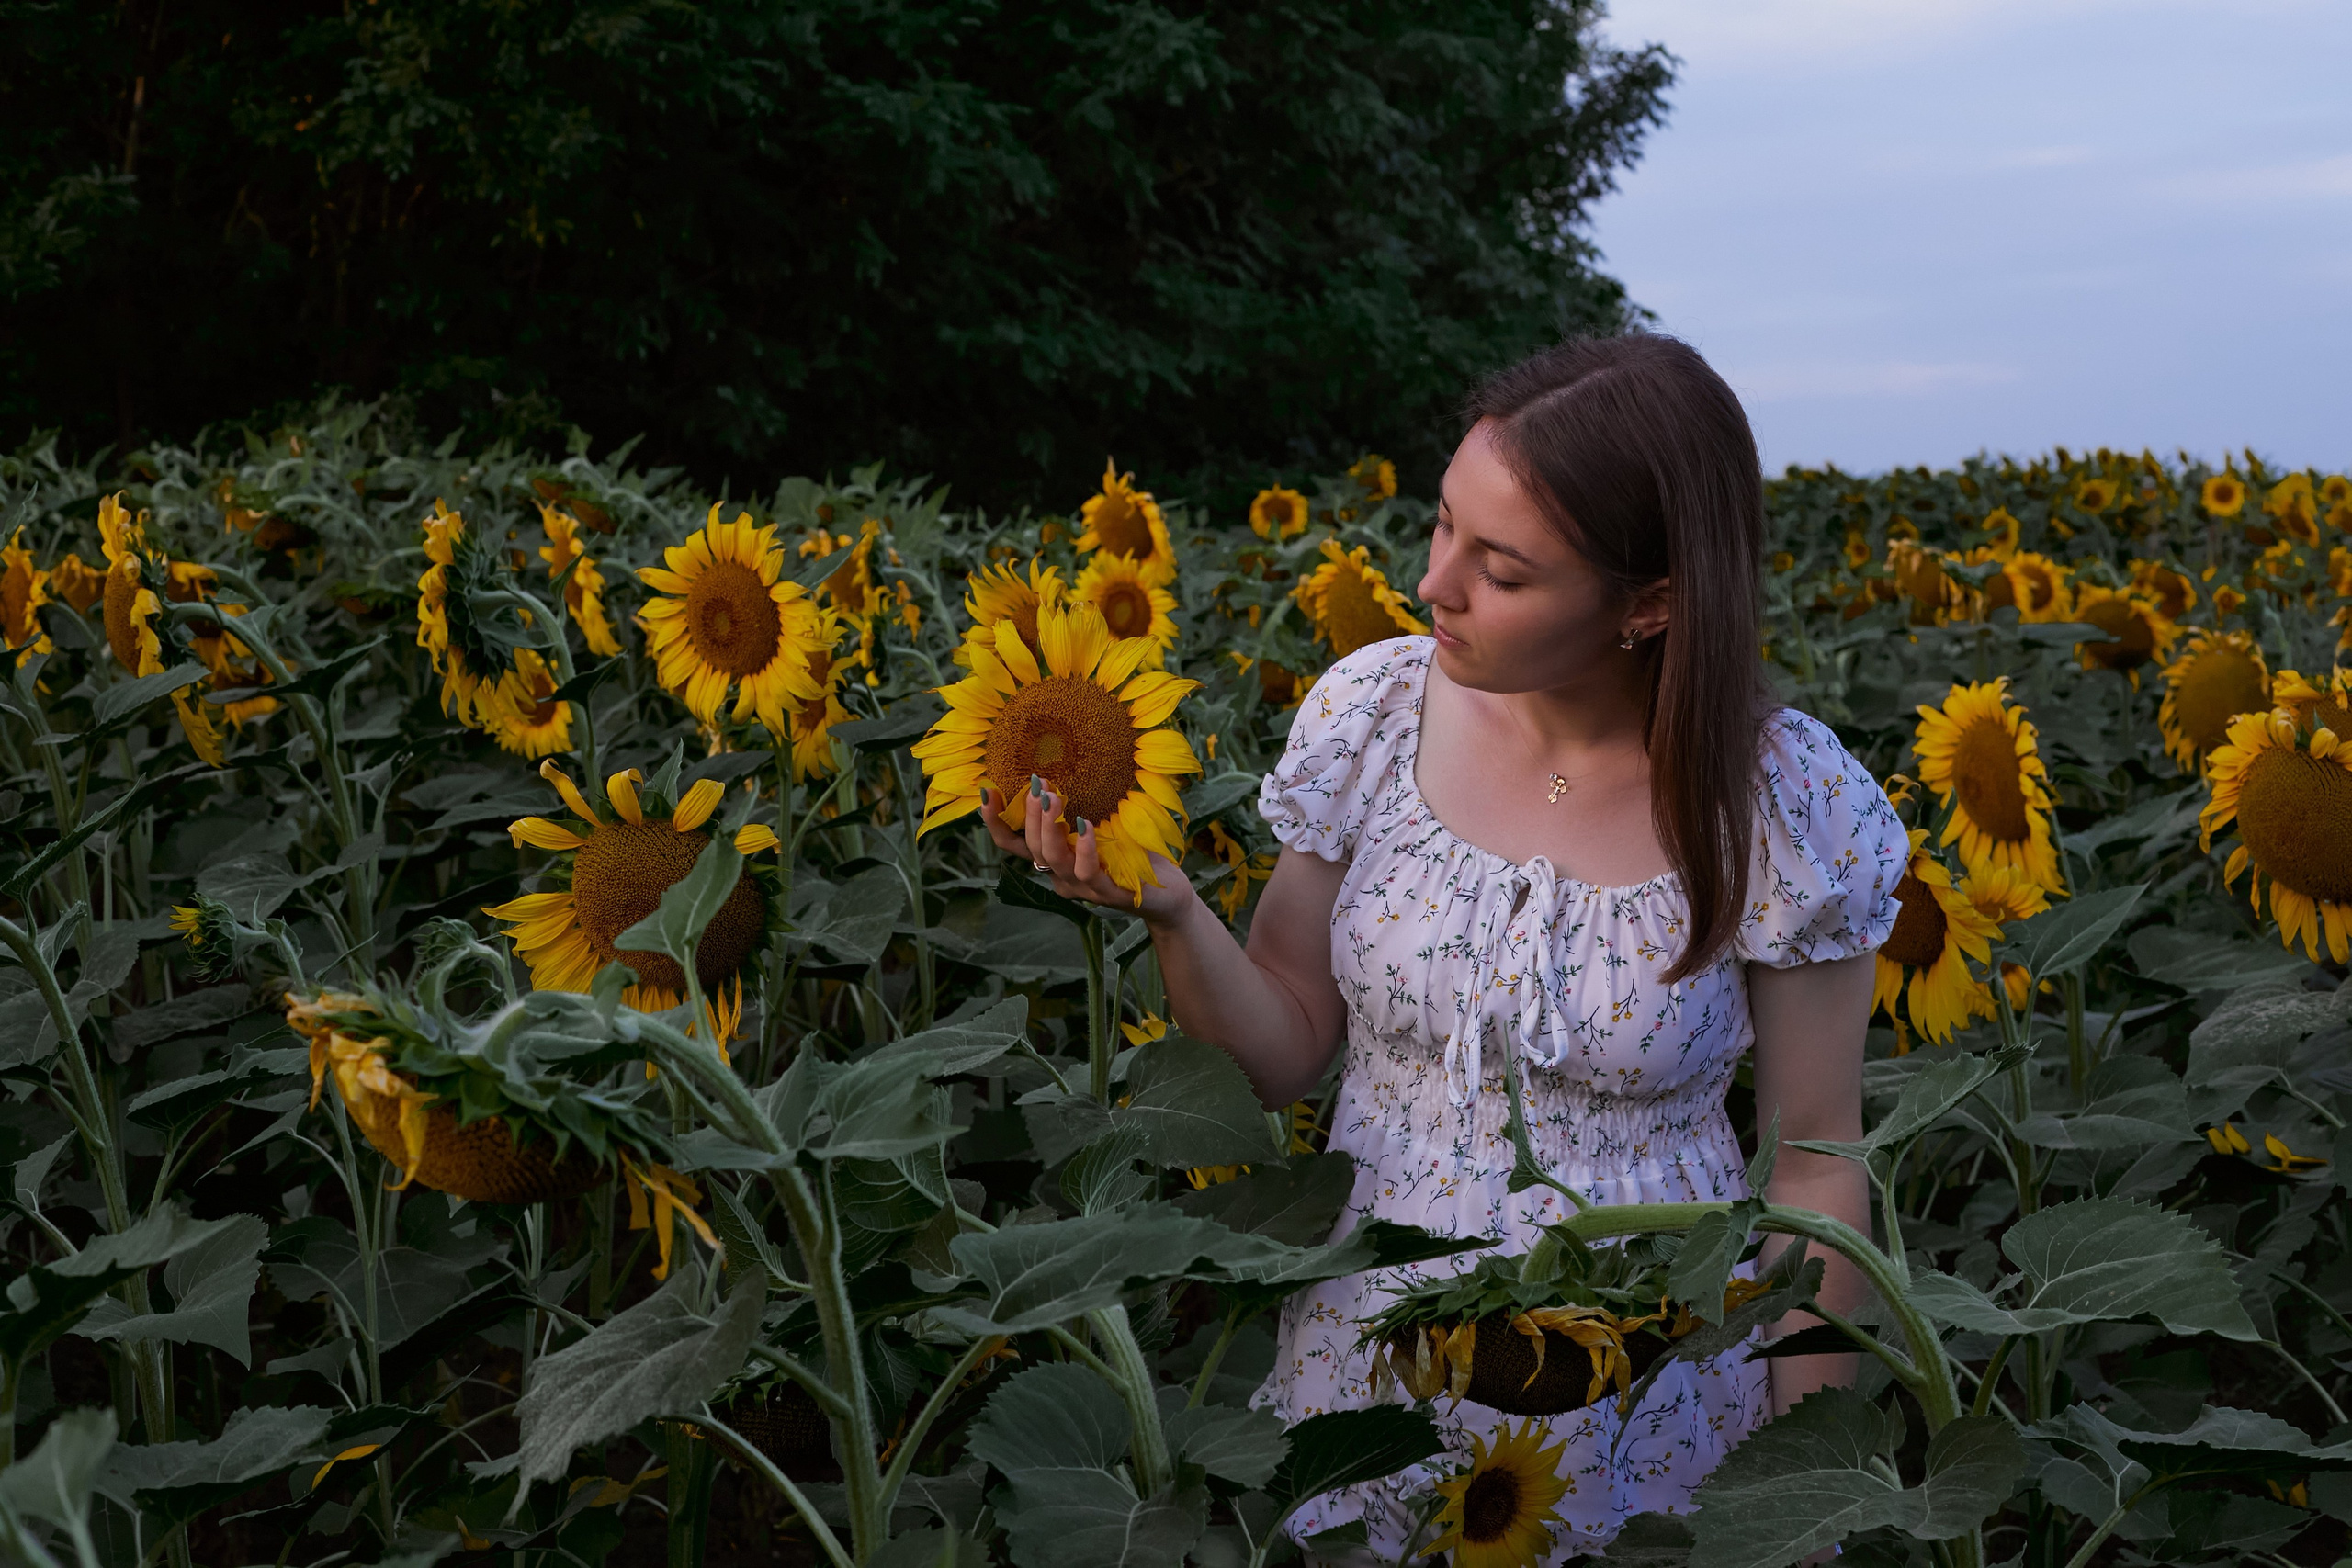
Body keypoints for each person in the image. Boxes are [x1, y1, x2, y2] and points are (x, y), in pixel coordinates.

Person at [974, 333, 1905, 1562]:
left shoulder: (1783, 805)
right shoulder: (1375, 715)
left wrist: (1814, 1492)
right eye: (1444, 528)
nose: (1436, 584)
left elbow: (1815, 1174)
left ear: (1652, 602)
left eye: (1502, 569)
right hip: (1373, 1346)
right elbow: (1283, 1050)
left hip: (1644, 1375)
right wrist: (1176, 915)